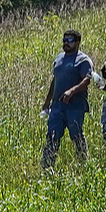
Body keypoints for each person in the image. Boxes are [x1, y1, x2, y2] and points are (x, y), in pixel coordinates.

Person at [42, 30, 96, 168]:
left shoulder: (83, 60)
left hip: (75, 106)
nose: (66, 43)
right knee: (52, 136)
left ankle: (83, 163)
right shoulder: (59, 58)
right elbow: (55, 80)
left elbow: (87, 80)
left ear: (77, 43)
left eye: (70, 41)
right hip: (57, 106)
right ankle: (47, 167)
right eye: (64, 40)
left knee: (76, 135)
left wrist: (72, 91)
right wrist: (47, 101)